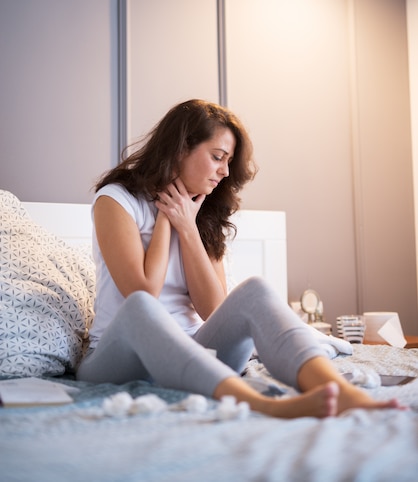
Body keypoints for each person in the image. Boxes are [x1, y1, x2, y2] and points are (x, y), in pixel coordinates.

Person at [77, 99, 401, 418]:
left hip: (200, 353)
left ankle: (340, 392)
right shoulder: (116, 201)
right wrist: (166, 218)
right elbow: (143, 292)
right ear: (179, 150)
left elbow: (214, 309)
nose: (225, 171)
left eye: (229, 160)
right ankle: (261, 404)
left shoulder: (204, 213)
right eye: (218, 157)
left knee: (255, 290)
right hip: (119, 359)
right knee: (141, 309)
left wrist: (187, 227)